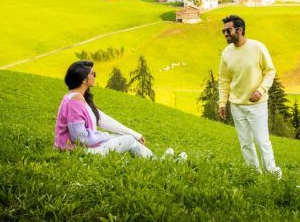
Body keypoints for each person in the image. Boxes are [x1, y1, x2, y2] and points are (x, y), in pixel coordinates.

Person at [54, 60, 186, 161]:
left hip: (84, 150)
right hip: (79, 154)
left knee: (126, 138)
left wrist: (135, 134)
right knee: (127, 140)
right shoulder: (75, 101)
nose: (95, 76)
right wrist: (106, 136)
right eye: (93, 74)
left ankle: (157, 160)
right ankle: (160, 163)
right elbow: (80, 138)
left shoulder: (77, 97)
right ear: (84, 79)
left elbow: (101, 119)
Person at [218, 15, 282, 179]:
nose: (225, 34)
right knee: (245, 143)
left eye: (228, 30)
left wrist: (261, 90)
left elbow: (270, 71)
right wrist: (222, 103)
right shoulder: (226, 53)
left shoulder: (258, 47)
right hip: (236, 105)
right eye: (223, 31)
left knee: (262, 142)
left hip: (257, 104)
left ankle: (273, 175)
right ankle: (253, 174)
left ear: (239, 30)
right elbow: (224, 80)